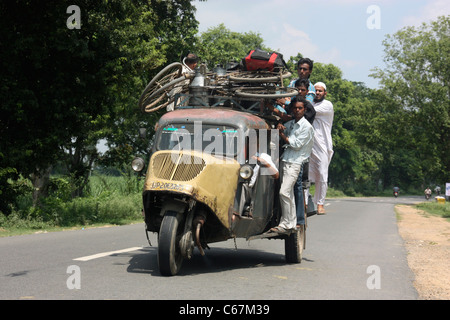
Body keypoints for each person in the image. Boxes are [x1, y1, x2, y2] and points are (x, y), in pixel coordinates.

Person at [270, 97, 314, 233]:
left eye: (300, 108)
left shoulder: (307, 127)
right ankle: (290, 222)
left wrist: (282, 134)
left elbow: (295, 144)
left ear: (304, 110)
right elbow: (282, 129)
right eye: (295, 108)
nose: (297, 110)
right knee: (288, 193)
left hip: (295, 163)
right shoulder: (292, 123)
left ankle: (286, 223)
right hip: (286, 160)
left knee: (284, 192)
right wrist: (279, 127)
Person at [307, 82, 334, 215]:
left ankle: (320, 204)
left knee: (322, 175)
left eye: (320, 91)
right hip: (308, 144)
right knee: (305, 175)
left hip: (323, 145)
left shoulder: (327, 105)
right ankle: (305, 203)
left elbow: (308, 110)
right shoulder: (309, 103)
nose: (317, 93)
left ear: (325, 93)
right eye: (315, 91)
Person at [242, 152, 279, 217]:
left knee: (242, 187)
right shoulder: (240, 153)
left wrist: (264, 162)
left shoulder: (262, 156)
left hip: (252, 190)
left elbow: (276, 175)